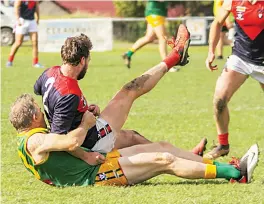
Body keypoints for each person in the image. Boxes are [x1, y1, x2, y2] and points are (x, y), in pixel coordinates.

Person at [10, 94, 259, 186]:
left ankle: (212, 163)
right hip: (96, 176)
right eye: (39, 110)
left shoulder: (36, 137)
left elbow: (66, 144)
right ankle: (237, 173)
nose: (43, 112)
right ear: (33, 117)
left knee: (162, 147)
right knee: (165, 159)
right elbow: (70, 143)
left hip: (100, 162)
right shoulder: (34, 142)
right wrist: (85, 125)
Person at [33, 25, 196, 161]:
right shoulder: (69, 94)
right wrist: (86, 156)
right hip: (93, 140)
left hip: (88, 131)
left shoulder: (49, 73)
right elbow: (59, 137)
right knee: (130, 90)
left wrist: (79, 111)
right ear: (82, 60)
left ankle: (186, 157)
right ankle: (175, 55)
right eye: (88, 60)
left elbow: (40, 91)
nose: (88, 64)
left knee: (133, 137)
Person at [205, 0, 264, 159]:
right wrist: (211, 51)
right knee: (219, 101)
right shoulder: (233, 2)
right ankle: (223, 145)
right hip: (240, 58)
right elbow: (217, 23)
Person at [122, 0, 169, 69]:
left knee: (149, 37)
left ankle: (128, 54)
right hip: (155, 12)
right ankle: (166, 64)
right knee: (163, 38)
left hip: (156, 12)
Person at [6, 0, 43, 68]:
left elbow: (37, 8)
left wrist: (38, 18)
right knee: (18, 42)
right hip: (22, 20)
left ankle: (35, 62)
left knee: (35, 42)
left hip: (32, 21)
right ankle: (9, 61)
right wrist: (17, 19)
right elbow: (16, 7)